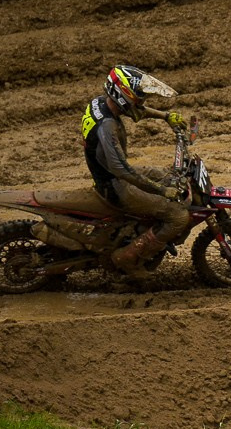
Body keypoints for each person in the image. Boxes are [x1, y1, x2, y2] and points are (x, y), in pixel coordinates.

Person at [81, 65, 189, 274]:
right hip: (113, 185)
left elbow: (136, 111)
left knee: (164, 174)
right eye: (138, 98)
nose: (141, 102)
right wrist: (161, 191)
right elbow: (122, 169)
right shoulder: (107, 126)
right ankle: (128, 258)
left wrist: (165, 116)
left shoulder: (100, 103)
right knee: (178, 217)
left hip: (110, 173)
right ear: (123, 95)